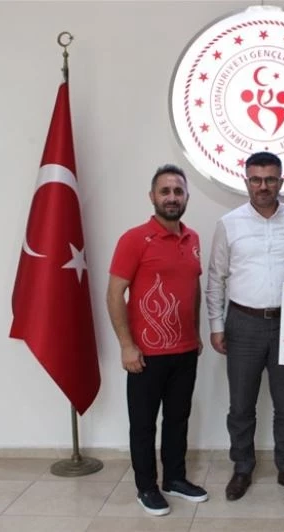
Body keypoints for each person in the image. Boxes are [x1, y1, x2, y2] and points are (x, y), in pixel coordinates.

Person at [206, 151, 284, 501]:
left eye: (270, 179)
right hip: (242, 324)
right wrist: (216, 325)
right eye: (256, 179)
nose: (263, 186)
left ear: (281, 181)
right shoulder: (229, 223)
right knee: (241, 406)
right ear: (246, 182)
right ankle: (242, 468)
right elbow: (216, 277)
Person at [106, 165, 208, 516]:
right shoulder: (134, 239)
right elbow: (114, 294)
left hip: (185, 350)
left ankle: (174, 479)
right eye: (165, 191)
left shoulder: (193, 239)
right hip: (146, 354)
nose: (172, 197)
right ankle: (146, 487)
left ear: (186, 197)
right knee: (144, 424)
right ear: (152, 197)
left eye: (178, 191)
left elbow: (193, 288)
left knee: (178, 419)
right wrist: (126, 345)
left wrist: (196, 333)